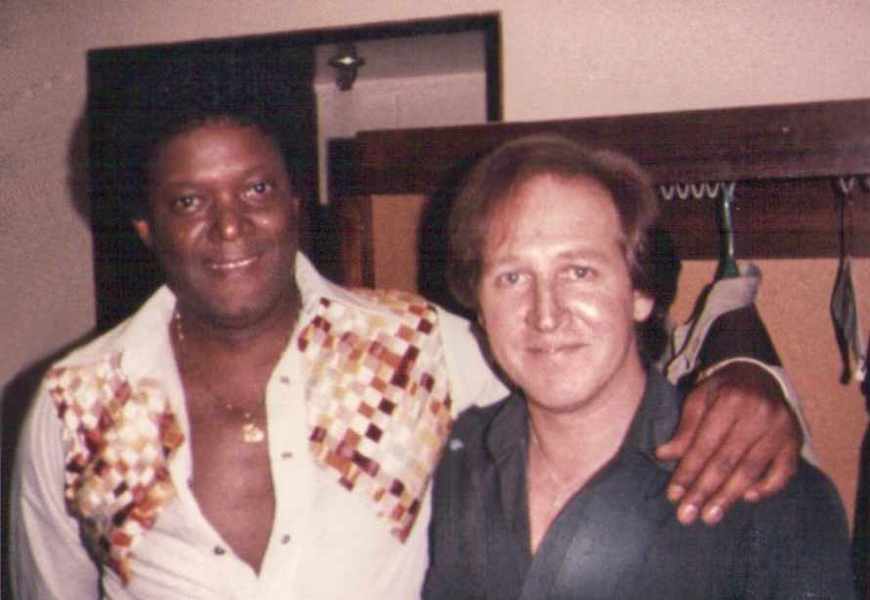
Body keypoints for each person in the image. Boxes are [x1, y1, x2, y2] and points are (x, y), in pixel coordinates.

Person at [12, 107, 801, 600]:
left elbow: (581, 367)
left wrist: (750, 374)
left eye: (256, 191)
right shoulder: (72, 404)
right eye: (189, 201)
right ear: (146, 229)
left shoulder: (415, 345)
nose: (230, 226)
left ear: (295, 204)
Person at [423, 134, 854, 599]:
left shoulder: (769, 498)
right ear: (481, 311)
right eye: (512, 278)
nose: (545, 315)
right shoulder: (450, 466)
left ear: (641, 293)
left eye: (579, 272)